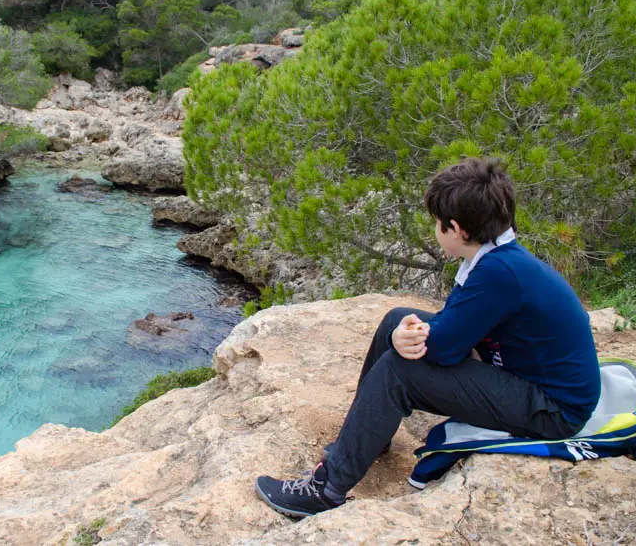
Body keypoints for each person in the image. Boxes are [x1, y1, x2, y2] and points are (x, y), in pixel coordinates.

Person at [255, 157, 602, 518]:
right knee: (395, 321)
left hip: (552, 409)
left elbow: (443, 349)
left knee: (398, 370)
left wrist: (401, 342)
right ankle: (368, 441)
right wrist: (402, 333)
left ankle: (326, 490)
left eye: (437, 223)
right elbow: (454, 325)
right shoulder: (496, 256)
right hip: (528, 380)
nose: (434, 229)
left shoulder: (499, 273)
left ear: (455, 229)